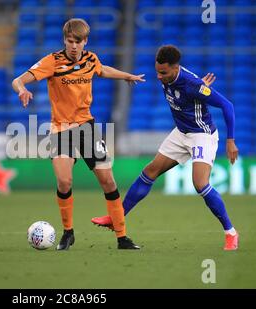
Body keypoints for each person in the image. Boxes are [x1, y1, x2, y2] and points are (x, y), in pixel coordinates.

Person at [12, 18, 146, 250]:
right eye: (69, 40)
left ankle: (122, 237)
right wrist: (22, 89)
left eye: (78, 41)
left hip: (88, 128)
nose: (73, 45)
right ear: (64, 39)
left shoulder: (91, 59)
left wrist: (127, 76)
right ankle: (68, 233)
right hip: (61, 130)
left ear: (85, 41)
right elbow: (18, 79)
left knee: (108, 180)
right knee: (64, 181)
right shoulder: (52, 61)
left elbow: (103, 70)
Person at [92, 45, 239, 251]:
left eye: (163, 73)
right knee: (149, 171)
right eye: (157, 72)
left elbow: (227, 105)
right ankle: (116, 218)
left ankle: (230, 233)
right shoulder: (173, 79)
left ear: (175, 68)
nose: (159, 77)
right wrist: (198, 92)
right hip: (180, 133)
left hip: (201, 135)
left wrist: (230, 140)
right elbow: (188, 93)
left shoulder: (191, 84)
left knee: (200, 184)